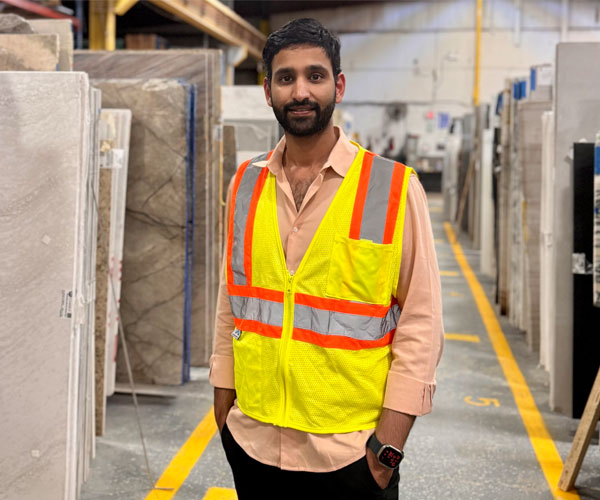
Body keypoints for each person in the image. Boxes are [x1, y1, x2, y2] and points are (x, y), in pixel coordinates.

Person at [210, 18, 444, 500]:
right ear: (268, 91)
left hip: (350, 456)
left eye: (314, 76)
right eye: (286, 77)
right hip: (253, 444)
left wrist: (387, 450)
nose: (300, 91)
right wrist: (224, 410)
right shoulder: (245, 183)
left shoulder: (393, 188)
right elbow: (231, 302)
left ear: (338, 86)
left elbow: (422, 322)